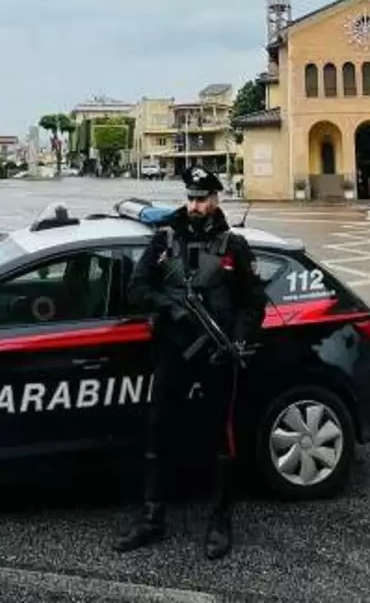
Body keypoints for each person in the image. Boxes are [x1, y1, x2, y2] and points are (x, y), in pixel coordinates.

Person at [112, 165, 267, 560]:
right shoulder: (165, 238)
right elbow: (138, 287)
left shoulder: (234, 246)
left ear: (216, 200)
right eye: (191, 198)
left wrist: (238, 340)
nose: (196, 205)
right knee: (159, 429)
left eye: (202, 198)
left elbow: (253, 303)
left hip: (216, 354)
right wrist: (172, 307)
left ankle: (219, 520)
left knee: (222, 436)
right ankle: (152, 518)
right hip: (172, 350)